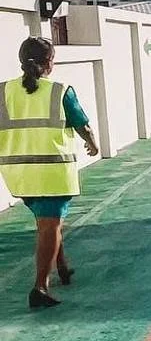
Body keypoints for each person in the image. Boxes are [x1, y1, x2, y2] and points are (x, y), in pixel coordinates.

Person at [0, 37, 100, 309]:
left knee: (46, 223)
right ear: (49, 63)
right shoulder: (59, 90)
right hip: (51, 171)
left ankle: (63, 267)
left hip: (18, 173)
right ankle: (40, 287)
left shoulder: (3, 91)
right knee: (49, 225)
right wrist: (92, 143)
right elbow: (82, 123)